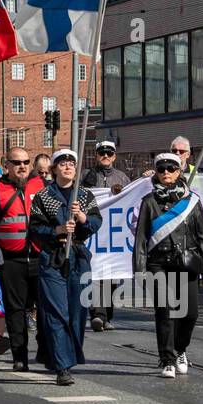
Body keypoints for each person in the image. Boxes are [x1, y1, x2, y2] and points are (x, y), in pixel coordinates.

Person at [133, 152, 203, 379]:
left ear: (179, 172)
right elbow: (141, 238)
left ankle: (180, 350)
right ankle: (167, 359)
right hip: (158, 263)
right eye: (162, 169)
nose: (166, 173)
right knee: (165, 311)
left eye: (171, 169)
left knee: (190, 314)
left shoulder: (192, 201)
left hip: (187, 263)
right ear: (156, 173)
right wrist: (139, 269)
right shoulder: (148, 202)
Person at [29, 150, 102, 385]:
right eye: (63, 164)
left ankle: (60, 355)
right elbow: (35, 229)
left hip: (78, 258)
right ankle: (62, 367)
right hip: (53, 258)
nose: (68, 167)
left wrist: (82, 218)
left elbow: (96, 222)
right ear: (54, 169)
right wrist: (57, 231)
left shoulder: (84, 195)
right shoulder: (43, 196)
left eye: (72, 164)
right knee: (56, 312)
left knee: (78, 311)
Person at [0, 147, 47, 372]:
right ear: (6, 165)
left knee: (46, 308)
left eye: (26, 162)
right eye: (17, 162)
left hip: (41, 258)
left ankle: (45, 347)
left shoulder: (42, 186)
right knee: (15, 310)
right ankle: (20, 357)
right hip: (10, 260)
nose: (22, 166)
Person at [82, 140, 132, 332]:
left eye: (109, 153)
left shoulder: (122, 177)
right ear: (96, 155)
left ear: (114, 156)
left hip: (114, 235)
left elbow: (130, 200)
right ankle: (97, 314)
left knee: (112, 277)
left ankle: (107, 316)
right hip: (93, 234)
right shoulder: (86, 176)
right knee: (94, 273)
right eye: (102, 152)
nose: (105, 156)